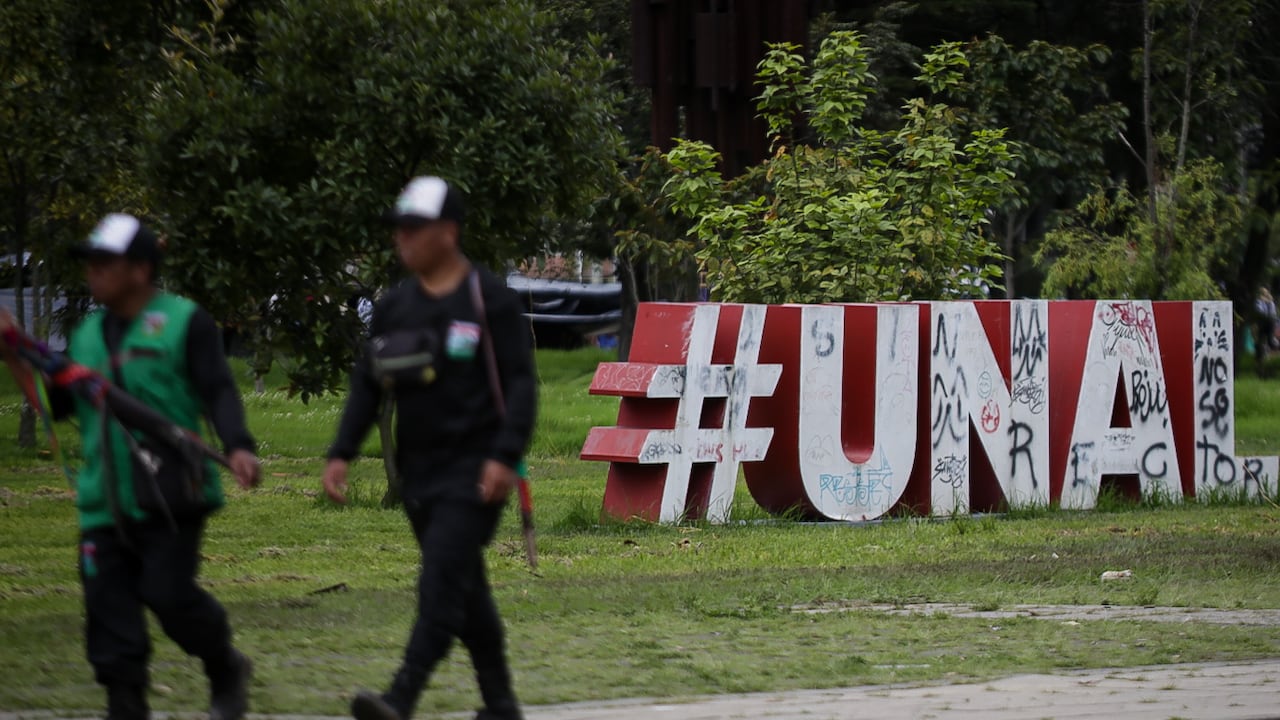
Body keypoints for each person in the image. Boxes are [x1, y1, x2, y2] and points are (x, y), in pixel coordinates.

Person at [0, 213, 261, 720]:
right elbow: (58, 408)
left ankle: (225, 665)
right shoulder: (88, 334)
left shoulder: (185, 321)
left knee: (167, 595)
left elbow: (219, 389)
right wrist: (13, 355)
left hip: (171, 490)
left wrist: (239, 444)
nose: (92, 273)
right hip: (104, 497)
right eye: (90, 263)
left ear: (140, 269)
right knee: (108, 611)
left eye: (104, 263)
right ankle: (126, 704)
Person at [323, 176, 536, 720]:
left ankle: (401, 697)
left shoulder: (490, 301)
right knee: (465, 588)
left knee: (440, 579)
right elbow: (368, 383)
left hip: (476, 472)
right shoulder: (395, 306)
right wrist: (342, 452)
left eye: (415, 229)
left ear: (449, 232)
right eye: (400, 229)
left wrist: (504, 455)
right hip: (421, 475)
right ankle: (501, 703)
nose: (403, 239)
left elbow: (521, 386)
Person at [1255, 287, 1277, 376]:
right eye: (1263, 294)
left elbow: (1273, 314)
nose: (1265, 295)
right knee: (1260, 343)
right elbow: (1260, 312)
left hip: (1269, 324)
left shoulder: (1271, 303)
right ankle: (1260, 361)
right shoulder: (1258, 302)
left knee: (1270, 341)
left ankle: (1271, 348)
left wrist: (1268, 302)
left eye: (1266, 293)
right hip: (1261, 324)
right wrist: (1263, 302)